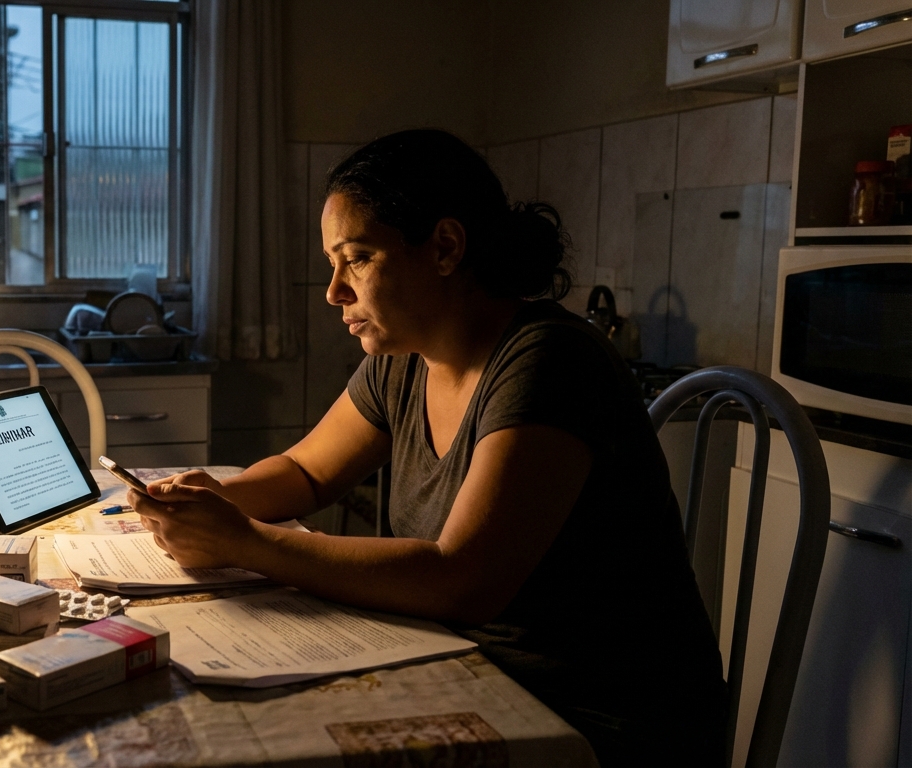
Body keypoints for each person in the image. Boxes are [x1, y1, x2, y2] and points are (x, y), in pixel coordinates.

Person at [128, 129, 726, 766]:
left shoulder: (549, 361)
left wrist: (243, 542)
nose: (334, 290)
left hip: (595, 721)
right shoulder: (406, 360)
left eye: (356, 257)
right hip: (468, 665)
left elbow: (461, 580)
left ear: (444, 246)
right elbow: (306, 470)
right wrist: (204, 502)